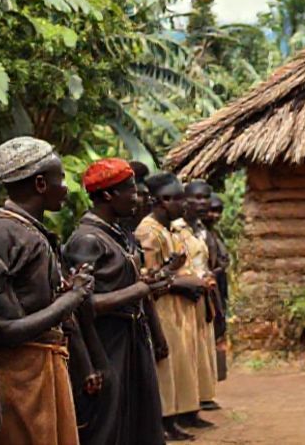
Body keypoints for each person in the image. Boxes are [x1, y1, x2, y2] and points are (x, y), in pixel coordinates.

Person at [0, 137, 97, 444]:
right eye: (61, 179)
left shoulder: (30, 232)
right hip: (20, 377)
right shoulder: (1, 234)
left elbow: (30, 303)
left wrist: (61, 295)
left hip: (40, 370)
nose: (66, 188)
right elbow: (1, 330)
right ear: (40, 184)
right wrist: (71, 298)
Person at [63, 158, 167, 445]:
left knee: (138, 419)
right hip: (107, 342)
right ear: (108, 195)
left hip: (131, 338)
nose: (138, 197)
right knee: (109, 423)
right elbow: (84, 303)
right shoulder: (86, 240)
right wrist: (140, 290)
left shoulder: (117, 234)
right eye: (131, 191)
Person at [135, 172, 204, 441]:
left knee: (179, 365)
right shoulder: (148, 232)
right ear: (161, 201)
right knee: (165, 367)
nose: (183, 204)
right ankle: (163, 420)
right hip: (161, 306)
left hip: (178, 306)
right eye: (177, 199)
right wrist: (182, 282)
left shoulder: (170, 229)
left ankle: (176, 417)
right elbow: (149, 275)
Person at [173, 180, 221, 417]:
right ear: (185, 199)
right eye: (197, 198)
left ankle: (201, 398)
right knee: (186, 349)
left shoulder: (202, 229)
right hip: (183, 294)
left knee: (202, 347)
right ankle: (186, 406)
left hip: (203, 294)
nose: (203, 203)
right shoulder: (176, 229)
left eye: (206, 198)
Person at [203, 193, 231, 381]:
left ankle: (215, 376)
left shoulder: (214, 233)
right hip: (208, 289)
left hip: (219, 289)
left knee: (218, 331)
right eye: (212, 211)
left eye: (219, 211)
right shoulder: (199, 235)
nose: (216, 215)